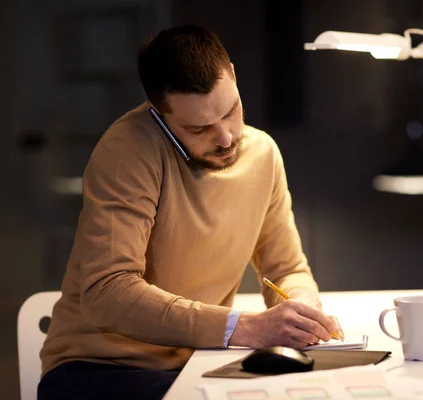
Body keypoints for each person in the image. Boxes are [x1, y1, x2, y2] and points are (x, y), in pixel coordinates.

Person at [37, 24, 344, 400]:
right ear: (159, 113)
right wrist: (245, 328)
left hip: (197, 363)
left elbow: (287, 269)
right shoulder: (128, 151)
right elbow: (108, 291)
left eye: (231, 111)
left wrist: (301, 307)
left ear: (231, 73)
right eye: (199, 129)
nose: (227, 138)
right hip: (96, 369)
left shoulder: (263, 154)